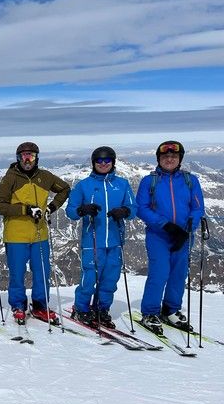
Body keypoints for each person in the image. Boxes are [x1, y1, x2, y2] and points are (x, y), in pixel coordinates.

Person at [0, 142, 70, 324]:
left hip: (40, 234)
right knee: (17, 273)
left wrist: (52, 207)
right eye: (24, 156)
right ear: (18, 158)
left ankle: (40, 305)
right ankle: (18, 305)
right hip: (16, 235)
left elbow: (65, 189)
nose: (27, 160)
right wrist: (25, 210)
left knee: (42, 272)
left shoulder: (45, 177)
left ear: (37, 158)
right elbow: (0, 206)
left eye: (31, 156)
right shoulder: (9, 179)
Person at [135, 140, 205, 332]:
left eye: (174, 156)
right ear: (159, 159)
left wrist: (189, 228)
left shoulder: (190, 180)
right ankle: (150, 312)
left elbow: (198, 208)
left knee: (178, 273)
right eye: (165, 156)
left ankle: (170, 309)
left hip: (184, 236)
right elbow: (141, 208)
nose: (169, 159)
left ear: (180, 159)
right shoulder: (149, 181)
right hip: (158, 236)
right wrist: (165, 225)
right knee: (159, 273)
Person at [65, 146, 136, 328]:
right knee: (89, 278)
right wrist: (82, 210)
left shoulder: (122, 184)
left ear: (113, 162)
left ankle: (101, 309)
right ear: (93, 163)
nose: (103, 164)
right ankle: (81, 308)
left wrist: (125, 211)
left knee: (110, 279)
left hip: (115, 240)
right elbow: (70, 211)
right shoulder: (83, 185)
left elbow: (133, 208)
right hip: (92, 240)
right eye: (99, 161)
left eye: (107, 160)